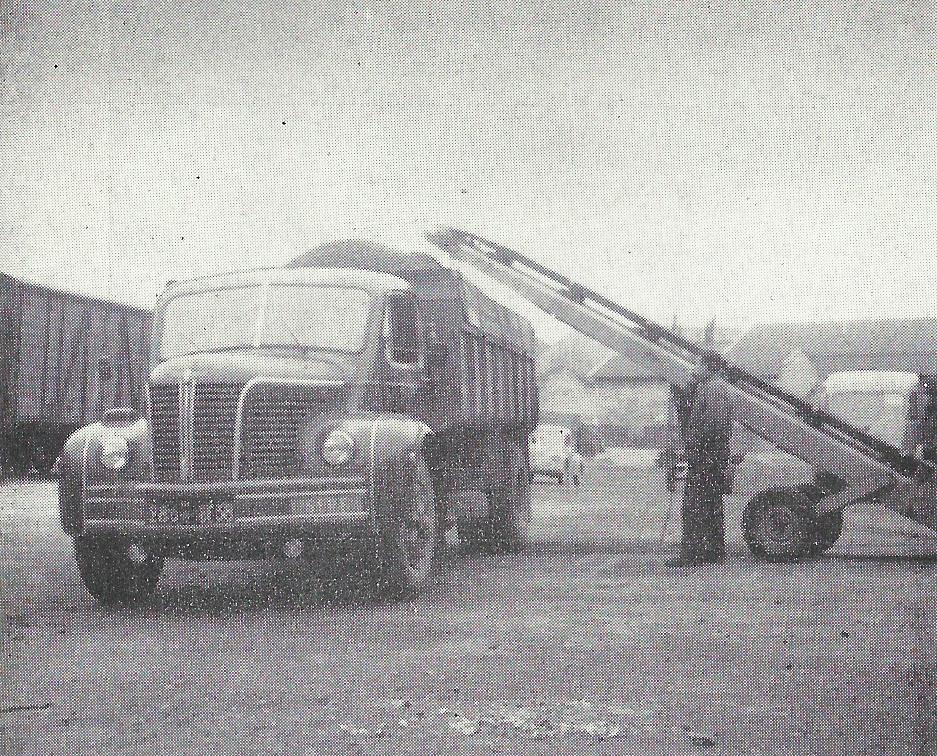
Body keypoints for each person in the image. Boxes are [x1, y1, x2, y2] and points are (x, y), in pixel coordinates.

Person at [669, 373, 735, 565]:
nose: (695, 370)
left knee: (694, 505)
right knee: (711, 504)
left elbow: (713, 425)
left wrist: (693, 445)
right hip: (711, 455)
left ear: (709, 367)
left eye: (700, 364)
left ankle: (692, 554)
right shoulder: (715, 387)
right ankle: (712, 551)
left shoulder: (713, 389)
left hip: (706, 455)